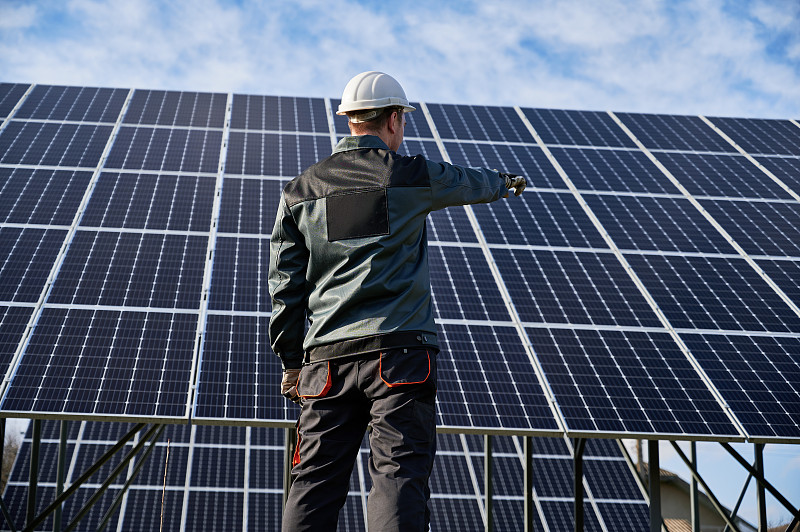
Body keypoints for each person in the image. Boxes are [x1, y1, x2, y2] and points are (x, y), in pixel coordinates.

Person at [269, 71, 526, 531]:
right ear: (392, 119)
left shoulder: (300, 192)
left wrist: (293, 362)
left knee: (312, 480)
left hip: (325, 364)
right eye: (402, 121)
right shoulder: (408, 175)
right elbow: (467, 182)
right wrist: (505, 183)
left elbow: (285, 289)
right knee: (397, 475)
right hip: (399, 357)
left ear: (349, 120)